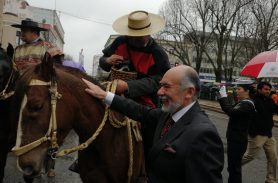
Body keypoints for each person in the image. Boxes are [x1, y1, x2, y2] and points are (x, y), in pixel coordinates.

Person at [82, 65, 224, 183]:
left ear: (189, 92)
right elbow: (140, 111)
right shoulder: (167, 114)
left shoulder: (203, 134)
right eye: (160, 86)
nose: (159, 92)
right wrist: (104, 95)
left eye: (166, 87)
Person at [99, 10, 170, 160]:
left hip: (144, 100)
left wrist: (129, 87)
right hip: (114, 91)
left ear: (149, 33)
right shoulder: (120, 42)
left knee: (150, 132)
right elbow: (103, 61)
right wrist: (107, 60)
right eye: (133, 35)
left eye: (140, 35)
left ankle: (147, 167)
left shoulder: (158, 53)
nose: (135, 39)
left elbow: (159, 80)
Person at [217, 81, 255, 183]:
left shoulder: (247, 104)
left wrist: (223, 97)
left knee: (235, 169)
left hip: (238, 141)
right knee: (233, 168)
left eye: (239, 89)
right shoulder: (242, 103)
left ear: (247, 91)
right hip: (235, 139)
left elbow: (230, 111)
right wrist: (222, 98)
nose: (236, 91)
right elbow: (229, 108)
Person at [242, 81, 277, 183]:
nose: (268, 91)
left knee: (273, 157)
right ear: (259, 89)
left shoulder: (270, 101)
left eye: (269, 90)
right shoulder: (253, 100)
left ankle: (271, 180)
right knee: (250, 156)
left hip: (268, 134)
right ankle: (234, 166)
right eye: (266, 89)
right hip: (257, 134)